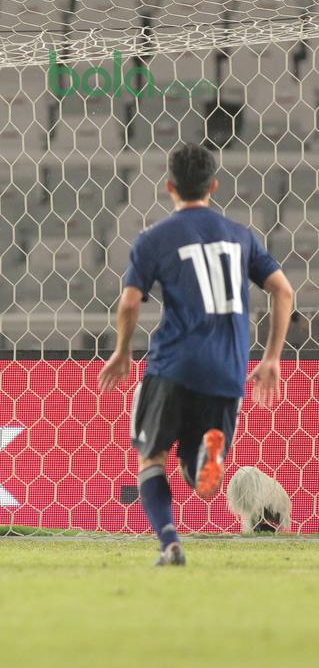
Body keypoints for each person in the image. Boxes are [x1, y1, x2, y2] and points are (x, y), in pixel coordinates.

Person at [98, 142, 293, 566]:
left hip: (173, 364)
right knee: (203, 482)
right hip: (227, 369)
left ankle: (170, 542)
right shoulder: (241, 237)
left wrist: (122, 351)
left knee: (152, 457)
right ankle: (206, 458)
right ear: (213, 186)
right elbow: (283, 290)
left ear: (170, 187)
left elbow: (129, 304)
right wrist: (272, 357)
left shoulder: (154, 238)